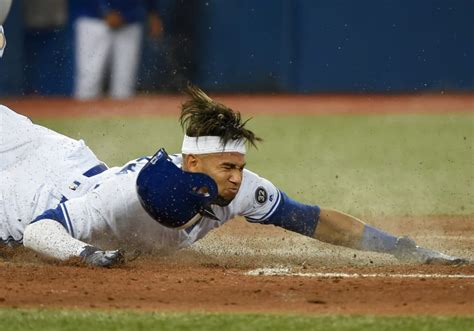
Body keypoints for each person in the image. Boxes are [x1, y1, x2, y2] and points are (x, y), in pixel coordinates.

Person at [0, 85, 470, 267]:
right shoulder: (124, 198)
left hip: (66, 157)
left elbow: (314, 219)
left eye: (239, 167)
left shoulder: (238, 188)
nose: (236, 179)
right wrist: (88, 257)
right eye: (227, 167)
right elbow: (42, 230)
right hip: (30, 190)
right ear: (191, 163)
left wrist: (400, 248)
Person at [73, 0, 163, 100]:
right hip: (94, 20)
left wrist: (153, 12)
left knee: (124, 83)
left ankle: (120, 115)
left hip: (129, 21)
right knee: (89, 80)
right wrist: (105, 10)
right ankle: (85, 114)